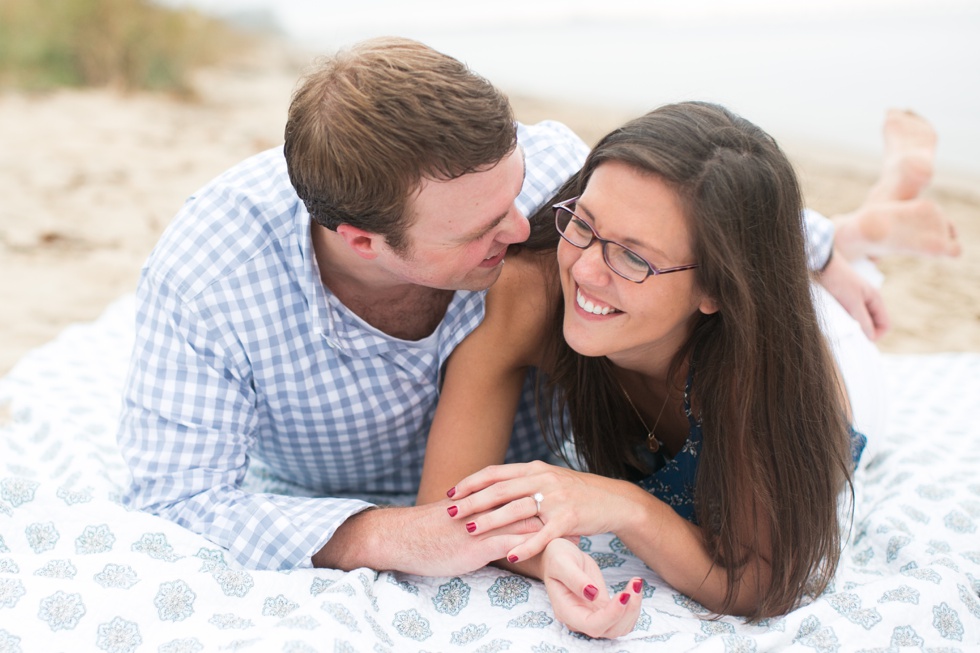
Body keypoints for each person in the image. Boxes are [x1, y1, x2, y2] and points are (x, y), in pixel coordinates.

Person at [117, 33, 954, 576]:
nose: (529, 230)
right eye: (484, 226)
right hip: (530, 462)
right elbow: (174, 501)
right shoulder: (212, 278)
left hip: (777, 348)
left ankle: (866, 225)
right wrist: (403, 535)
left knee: (825, 298)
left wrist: (820, 246)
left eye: (526, 195)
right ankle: (875, 217)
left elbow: (698, 199)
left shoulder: (548, 189)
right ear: (363, 240)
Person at [418, 102, 954, 637]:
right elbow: (448, 508)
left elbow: (758, 582)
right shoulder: (530, 292)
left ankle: (877, 219)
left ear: (716, 288)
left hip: (840, 371)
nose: (583, 269)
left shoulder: (758, 379)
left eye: (633, 257)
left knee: (856, 295)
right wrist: (546, 555)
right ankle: (862, 230)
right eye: (583, 222)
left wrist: (626, 504)